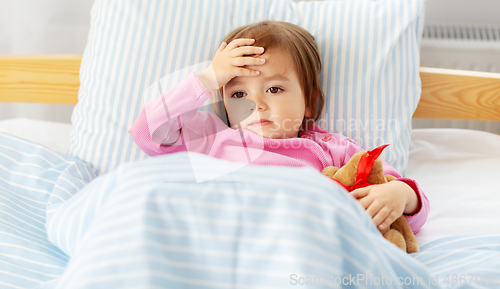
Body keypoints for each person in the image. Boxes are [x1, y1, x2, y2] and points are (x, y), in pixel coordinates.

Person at [129, 21, 429, 234]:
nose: (256, 104)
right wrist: (207, 79)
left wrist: (401, 195)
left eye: (273, 89)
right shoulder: (210, 137)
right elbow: (148, 131)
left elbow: (406, 201)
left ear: (309, 103)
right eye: (238, 94)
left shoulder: (331, 149)